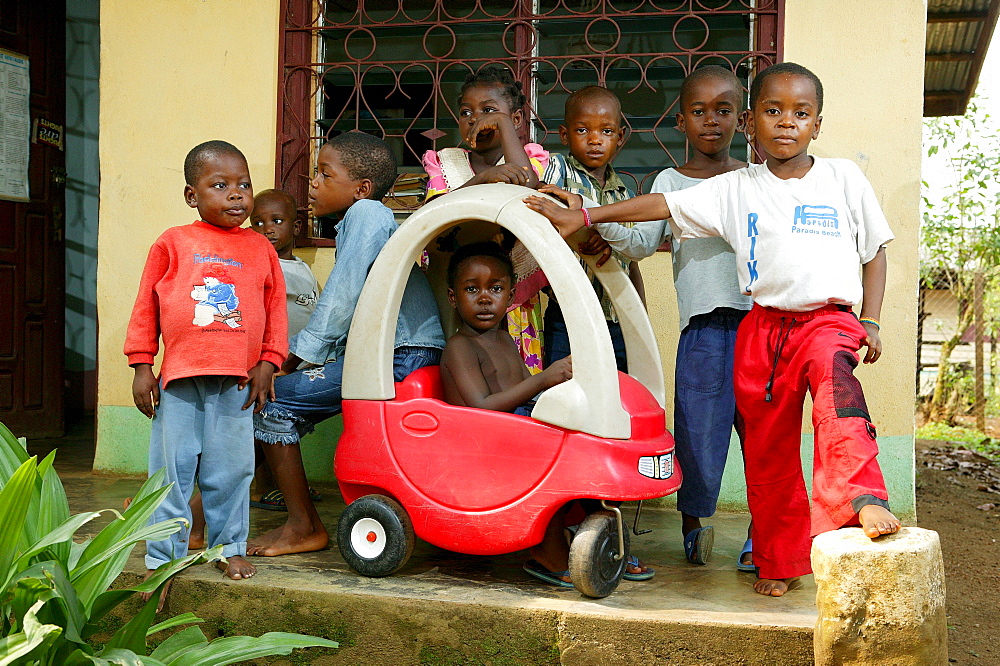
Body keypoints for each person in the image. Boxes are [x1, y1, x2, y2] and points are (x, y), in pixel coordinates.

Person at [525, 62, 902, 597]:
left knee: (834, 385)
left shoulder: (842, 177)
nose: (787, 123)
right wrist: (588, 219)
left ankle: (863, 495)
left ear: (817, 123)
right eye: (773, 112)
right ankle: (768, 557)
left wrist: (871, 320)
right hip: (755, 328)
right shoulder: (737, 188)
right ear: (754, 122)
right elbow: (659, 207)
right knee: (752, 448)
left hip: (826, 321)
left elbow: (875, 251)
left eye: (800, 114)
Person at [566, 67, 756, 570]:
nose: (711, 121)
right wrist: (588, 216)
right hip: (702, 329)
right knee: (696, 433)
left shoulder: (756, 179)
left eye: (723, 110)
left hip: (761, 326)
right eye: (699, 111)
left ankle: (766, 533)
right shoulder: (668, 183)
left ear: (743, 119)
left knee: (764, 432)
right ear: (680, 121)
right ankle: (695, 530)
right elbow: (639, 242)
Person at [248, 131, 445, 557]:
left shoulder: (368, 213)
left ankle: (302, 526)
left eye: (324, 173)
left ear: (361, 188)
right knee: (264, 401)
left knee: (268, 400)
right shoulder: (363, 221)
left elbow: (342, 296)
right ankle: (194, 511)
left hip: (399, 355)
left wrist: (293, 357)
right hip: (402, 353)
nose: (312, 183)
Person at [125, 140, 287, 609]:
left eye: (244, 185)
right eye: (220, 185)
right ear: (192, 195)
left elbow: (275, 310)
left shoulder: (259, 249)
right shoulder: (173, 242)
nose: (236, 195)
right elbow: (146, 308)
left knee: (232, 471)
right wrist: (141, 365)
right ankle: (163, 557)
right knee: (170, 473)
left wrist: (269, 361)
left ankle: (228, 548)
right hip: (178, 383)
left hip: (236, 383)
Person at [184, 188, 322, 546]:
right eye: (258, 223)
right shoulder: (256, 265)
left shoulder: (303, 270)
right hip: (267, 369)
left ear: (297, 225)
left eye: (277, 221)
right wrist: (268, 363)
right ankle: (189, 517)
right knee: (238, 445)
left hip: (294, 367)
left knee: (253, 442)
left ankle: (194, 515)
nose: (267, 229)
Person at [438, 242, 575, 585]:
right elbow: (482, 406)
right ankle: (548, 551)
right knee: (551, 458)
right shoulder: (460, 346)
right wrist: (546, 377)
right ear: (454, 297)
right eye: (472, 289)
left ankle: (594, 533)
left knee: (585, 442)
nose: (485, 298)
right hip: (480, 448)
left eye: (496, 289)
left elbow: (526, 391)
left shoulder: (505, 338)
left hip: (510, 435)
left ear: (512, 295)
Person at [422, 65, 548, 374]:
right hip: (457, 291)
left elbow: (528, 185)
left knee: (515, 374)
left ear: (516, 119)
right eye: (467, 112)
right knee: (462, 371)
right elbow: (434, 216)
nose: (476, 119)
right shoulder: (444, 161)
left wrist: (503, 127)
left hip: (513, 292)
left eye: (489, 110)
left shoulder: (531, 157)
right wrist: (483, 179)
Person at [541, 85, 644, 373]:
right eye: (583, 130)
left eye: (607, 132)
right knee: (566, 390)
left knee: (618, 391)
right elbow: (543, 209)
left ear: (620, 137)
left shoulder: (622, 194)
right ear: (564, 135)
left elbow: (631, 263)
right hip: (567, 315)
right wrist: (586, 233)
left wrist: (640, 319)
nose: (595, 140)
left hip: (616, 317)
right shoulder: (558, 171)